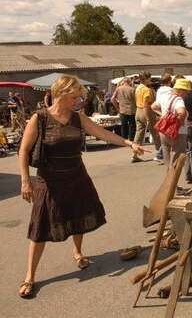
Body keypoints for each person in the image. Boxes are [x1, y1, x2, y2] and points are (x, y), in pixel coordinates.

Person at [17, 75, 145, 298]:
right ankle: (30, 276)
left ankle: (77, 252)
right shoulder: (40, 118)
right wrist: (26, 181)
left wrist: (128, 142)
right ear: (61, 94)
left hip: (77, 177)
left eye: (79, 97)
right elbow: (24, 150)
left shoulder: (78, 118)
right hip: (49, 182)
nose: (78, 101)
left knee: (78, 215)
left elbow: (102, 133)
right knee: (40, 228)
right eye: (75, 97)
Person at [151, 78, 190, 167]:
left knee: (166, 155)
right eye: (186, 91)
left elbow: (153, 106)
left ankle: (168, 175)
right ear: (181, 90)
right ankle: (174, 177)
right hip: (177, 132)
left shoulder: (165, 96)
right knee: (178, 158)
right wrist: (179, 123)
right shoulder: (179, 100)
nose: (187, 94)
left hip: (164, 130)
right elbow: (182, 112)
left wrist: (163, 116)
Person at [133, 71, 162, 163]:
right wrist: (148, 118)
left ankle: (134, 154)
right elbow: (146, 105)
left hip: (138, 110)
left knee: (139, 133)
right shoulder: (146, 89)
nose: (150, 79)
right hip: (146, 111)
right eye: (149, 78)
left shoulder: (138, 88)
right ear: (145, 79)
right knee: (156, 134)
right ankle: (160, 154)